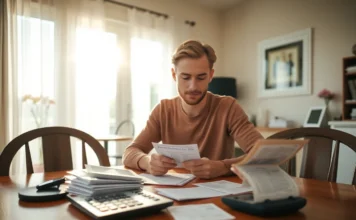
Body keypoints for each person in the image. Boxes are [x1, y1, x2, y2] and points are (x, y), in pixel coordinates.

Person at [122, 40, 263, 179]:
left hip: (219, 194)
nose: (193, 87)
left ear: (211, 75)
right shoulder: (163, 110)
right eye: (185, 77)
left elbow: (263, 155)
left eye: (201, 77)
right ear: (173, 75)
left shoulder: (228, 107)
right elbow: (130, 152)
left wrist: (223, 167)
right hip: (174, 192)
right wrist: (146, 162)